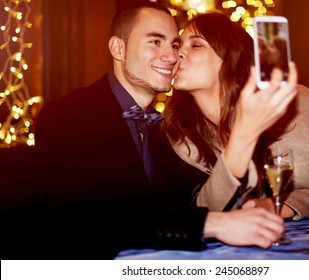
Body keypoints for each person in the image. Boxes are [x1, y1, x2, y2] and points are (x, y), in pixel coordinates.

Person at [0, 2, 285, 260]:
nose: (172, 57)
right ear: (118, 49)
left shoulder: (165, 129)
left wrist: (246, 205)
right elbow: (89, 216)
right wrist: (212, 224)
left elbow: (197, 196)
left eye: (174, 45)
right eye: (154, 42)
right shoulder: (67, 113)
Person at [163, 12, 309, 220]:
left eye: (196, 45)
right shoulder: (177, 132)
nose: (178, 54)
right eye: (178, 46)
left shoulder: (294, 104)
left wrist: (278, 205)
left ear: (230, 58)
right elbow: (203, 212)